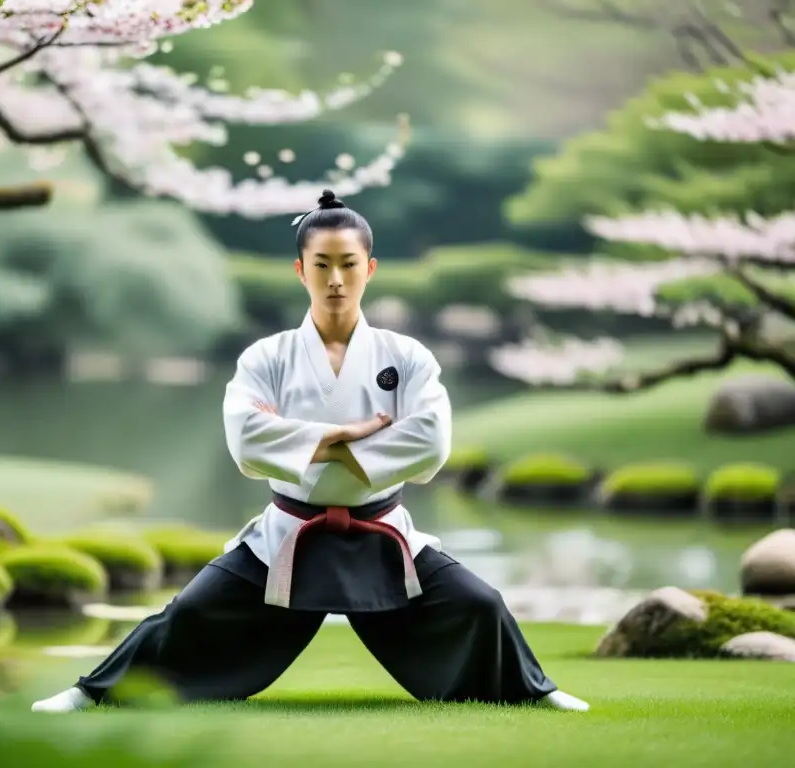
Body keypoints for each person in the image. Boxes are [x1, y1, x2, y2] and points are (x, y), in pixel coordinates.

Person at [31, 190, 589, 714]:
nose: (336, 279)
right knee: (190, 613)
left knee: (479, 604)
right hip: (289, 532)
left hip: (380, 529)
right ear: (301, 270)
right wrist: (351, 437)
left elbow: (431, 441)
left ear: (369, 269)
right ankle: (92, 694)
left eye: (348, 264)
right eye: (321, 265)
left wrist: (304, 439)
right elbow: (245, 438)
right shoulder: (267, 357)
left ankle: (534, 692)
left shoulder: (407, 355)